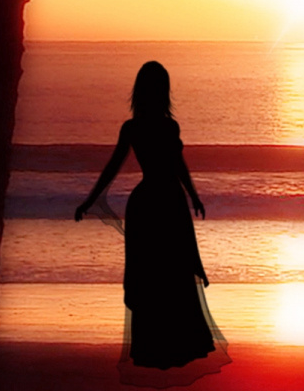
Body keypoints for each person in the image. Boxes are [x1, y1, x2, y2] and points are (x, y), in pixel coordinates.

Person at [76, 61, 228, 385]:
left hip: (148, 205)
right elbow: (172, 167)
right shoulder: (165, 128)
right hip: (167, 203)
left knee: (153, 274)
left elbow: (114, 169)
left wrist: (91, 199)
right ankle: (172, 348)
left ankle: (155, 349)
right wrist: (192, 195)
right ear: (163, 91)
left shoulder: (134, 128)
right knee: (168, 273)